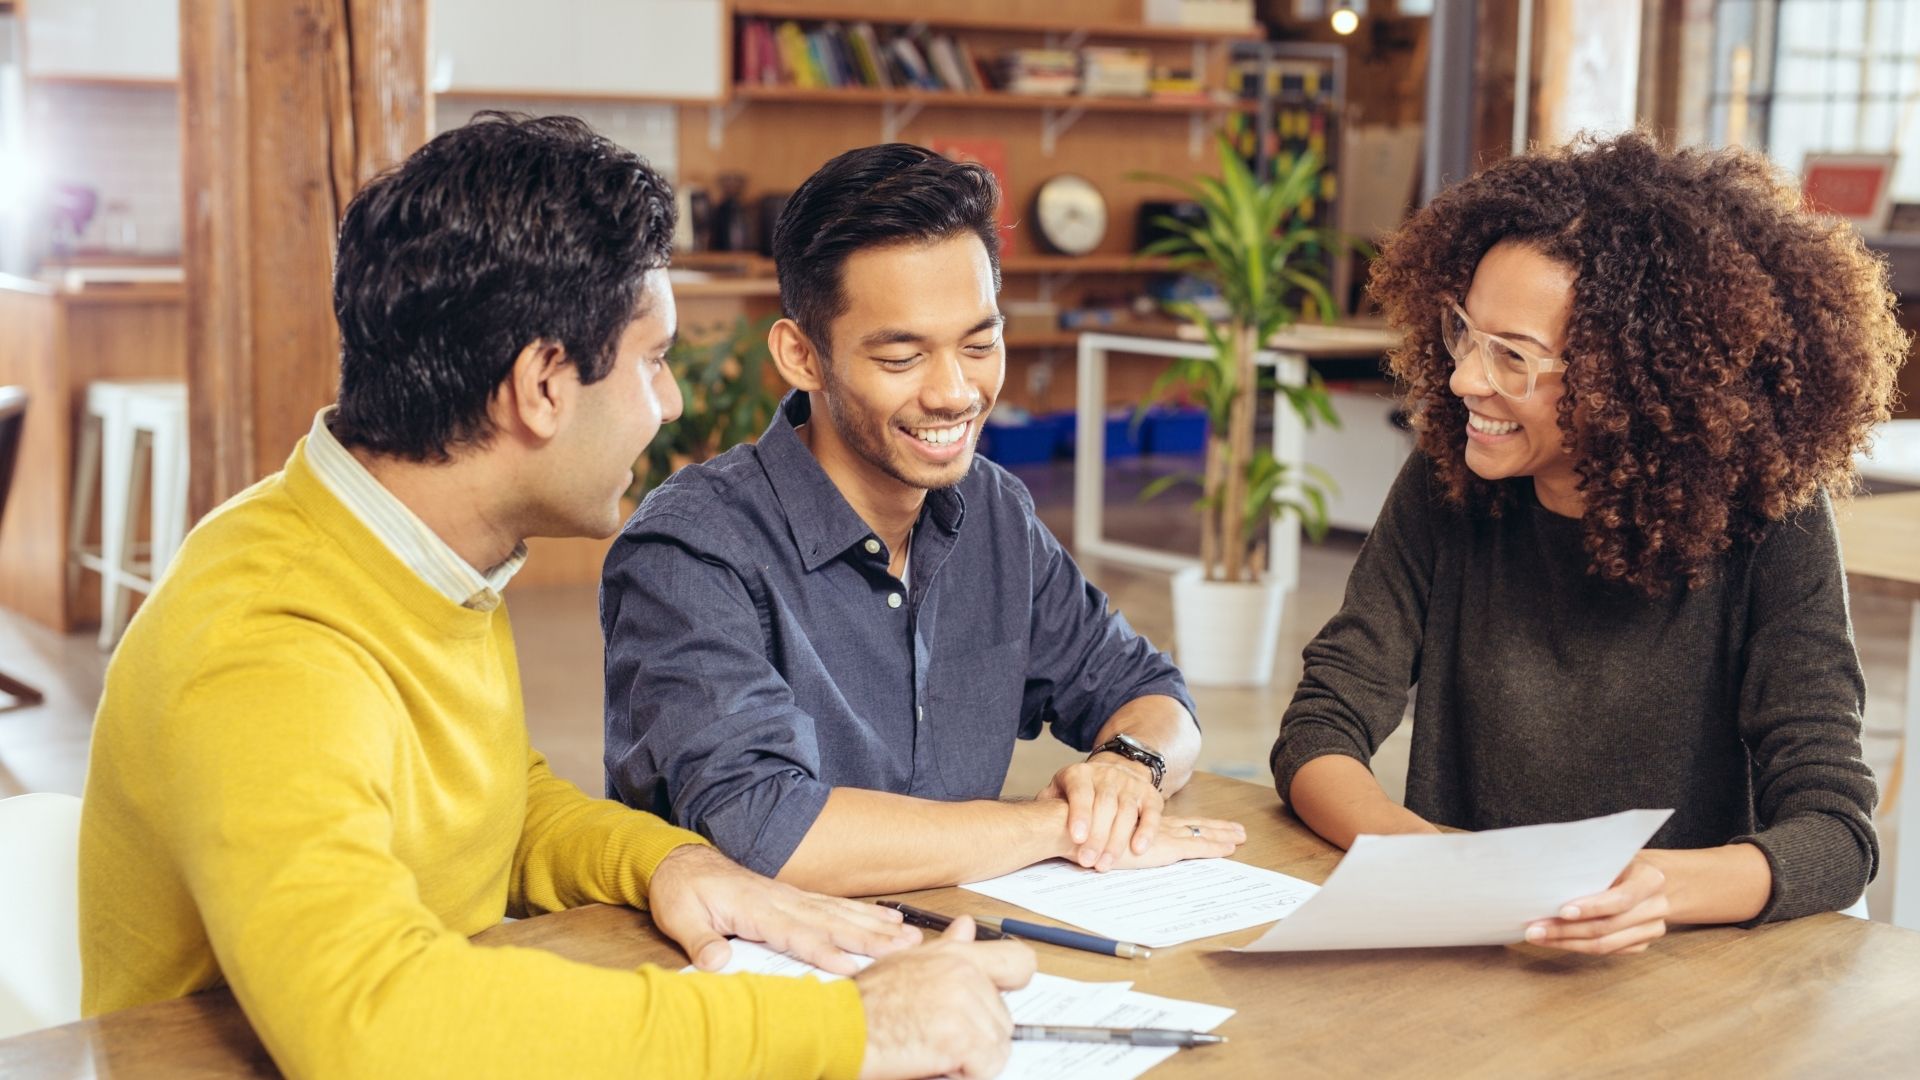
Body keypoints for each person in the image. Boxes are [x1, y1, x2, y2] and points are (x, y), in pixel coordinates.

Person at [79, 113, 1036, 1080]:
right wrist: (853, 1032)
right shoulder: (271, 641)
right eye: (652, 361)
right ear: (543, 384)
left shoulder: (403, 551)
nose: (669, 405)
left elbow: (496, 803)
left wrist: (676, 866)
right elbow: (371, 1025)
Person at [1271, 131, 1905, 954]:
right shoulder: (1451, 482)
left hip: (1691, 967)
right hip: (1481, 958)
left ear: (1632, 382)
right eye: (1465, 331)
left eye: (1514, 356)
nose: (1466, 377)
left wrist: (1656, 890)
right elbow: (1321, 727)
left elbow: (1835, 833)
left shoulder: (1770, 522)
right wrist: (1418, 857)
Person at [602, 143, 1245, 895]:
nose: (955, 393)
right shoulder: (692, 548)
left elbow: (1154, 692)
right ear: (802, 356)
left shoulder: (995, 510)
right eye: (903, 358)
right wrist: (1055, 827)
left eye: (980, 344)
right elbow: (766, 829)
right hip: (752, 982)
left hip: (957, 958)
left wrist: (1126, 769)